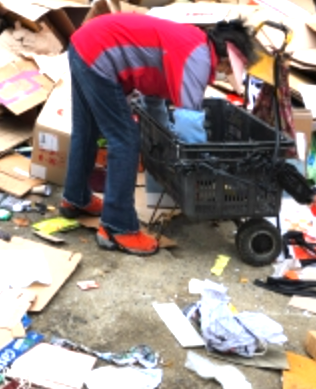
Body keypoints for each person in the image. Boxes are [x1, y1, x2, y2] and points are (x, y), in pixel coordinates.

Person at [60, 14, 257, 255]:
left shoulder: (192, 43)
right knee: (126, 140)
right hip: (98, 54)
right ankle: (117, 227)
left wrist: (166, 139)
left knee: (86, 128)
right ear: (226, 58)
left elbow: (153, 96)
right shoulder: (198, 59)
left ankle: (75, 197)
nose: (225, 73)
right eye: (229, 68)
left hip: (84, 44)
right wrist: (204, 167)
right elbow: (188, 123)